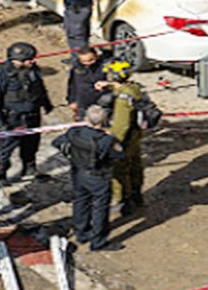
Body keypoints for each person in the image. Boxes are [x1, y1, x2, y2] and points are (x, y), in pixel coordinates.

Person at [53, 105, 123, 251]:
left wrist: (70, 151)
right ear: (104, 120)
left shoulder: (74, 132)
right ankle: (98, 241)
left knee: (80, 203)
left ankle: (81, 233)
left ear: (86, 119)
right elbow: (119, 155)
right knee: (100, 208)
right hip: (98, 177)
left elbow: (57, 142)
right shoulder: (106, 140)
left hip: (78, 173)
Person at [0, 42, 53, 183]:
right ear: (15, 60)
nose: (32, 61)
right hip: (11, 118)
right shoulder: (0, 75)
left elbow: (39, 87)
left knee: (31, 145)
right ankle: (0, 175)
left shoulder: (33, 70)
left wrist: (46, 103)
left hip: (32, 114)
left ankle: (29, 168)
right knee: (5, 149)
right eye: (28, 59)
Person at [96, 59, 146, 214]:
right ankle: (137, 194)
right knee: (135, 165)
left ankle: (123, 201)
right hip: (135, 135)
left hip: (124, 139)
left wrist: (112, 141)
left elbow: (121, 125)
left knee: (120, 170)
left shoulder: (122, 99)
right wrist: (110, 85)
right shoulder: (133, 88)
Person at [66, 46, 106, 120]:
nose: (88, 63)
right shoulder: (76, 68)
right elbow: (72, 85)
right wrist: (71, 100)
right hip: (82, 103)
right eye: (84, 61)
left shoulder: (104, 66)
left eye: (91, 60)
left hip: (100, 102)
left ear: (96, 55)